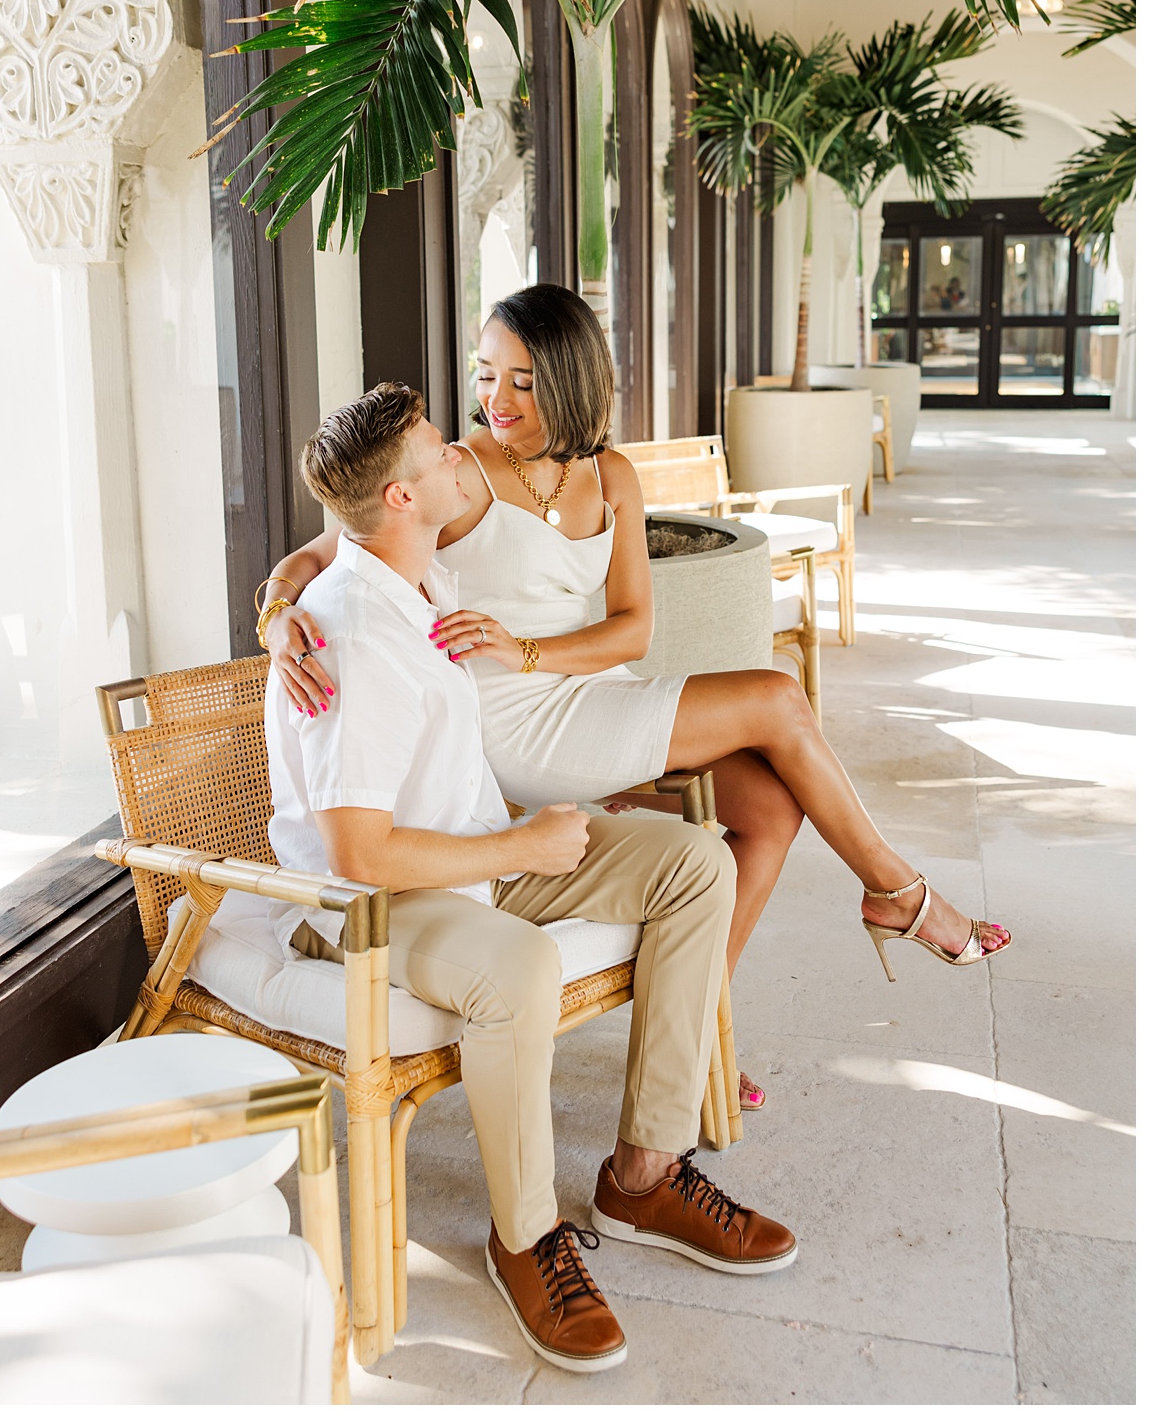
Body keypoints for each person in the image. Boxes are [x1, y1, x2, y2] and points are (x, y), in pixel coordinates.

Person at [264, 287, 1010, 1108]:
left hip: (588, 689)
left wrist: (533, 647)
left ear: (572, 378)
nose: (495, 401)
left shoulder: (612, 474)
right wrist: (276, 615)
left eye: (521, 380)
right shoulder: (458, 474)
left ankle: (688, 1047)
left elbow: (631, 632)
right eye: (485, 377)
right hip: (505, 719)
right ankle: (897, 893)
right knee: (773, 694)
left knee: (766, 810)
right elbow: (322, 554)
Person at [260, 381, 797, 1374]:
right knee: (513, 969)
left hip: (469, 849)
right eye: (435, 451)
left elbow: (323, 549)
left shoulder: (412, 574)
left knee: (691, 862)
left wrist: (271, 604)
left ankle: (646, 1171)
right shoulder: (354, 638)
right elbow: (359, 857)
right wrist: (521, 849)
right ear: (405, 501)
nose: (458, 450)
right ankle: (526, 1239)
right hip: (372, 906)